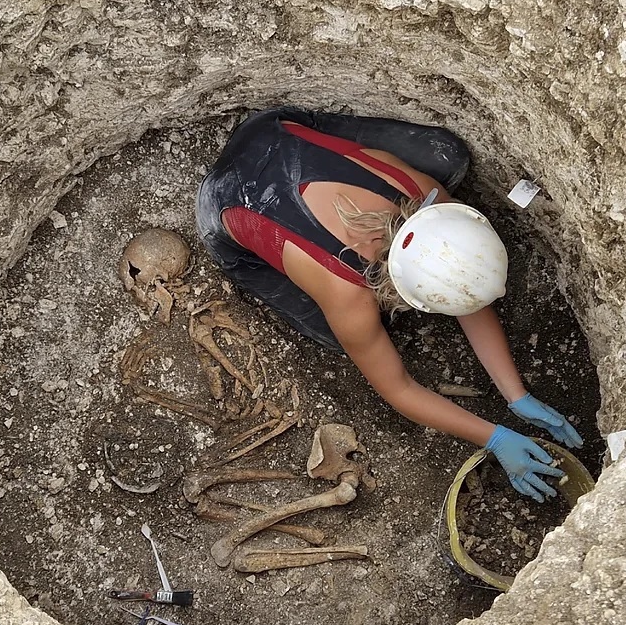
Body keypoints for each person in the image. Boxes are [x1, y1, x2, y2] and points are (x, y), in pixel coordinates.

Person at [196, 107, 583, 502]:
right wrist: (495, 438)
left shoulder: (425, 197)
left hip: (275, 133)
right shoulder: (347, 295)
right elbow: (398, 389)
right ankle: (245, 252)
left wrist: (515, 394)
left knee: (448, 156)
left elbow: (462, 288)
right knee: (334, 333)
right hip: (225, 198)